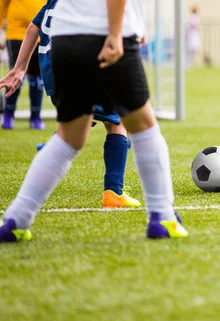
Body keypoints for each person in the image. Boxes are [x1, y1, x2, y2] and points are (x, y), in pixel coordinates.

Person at [0, 0, 188, 242]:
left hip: (64, 39)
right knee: (142, 127)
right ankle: (162, 217)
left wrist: (19, 67)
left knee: (69, 138)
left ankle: (16, 220)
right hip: (104, 32)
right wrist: (115, 33)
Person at [0, 0, 141, 209]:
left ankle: (53, 147)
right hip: (76, 68)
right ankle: (113, 192)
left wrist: (20, 69)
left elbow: (32, 29)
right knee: (117, 121)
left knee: (75, 125)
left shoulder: (54, 2)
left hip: (52, 74)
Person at [0, 0, 46, 130]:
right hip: (16, 33)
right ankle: (8, 115)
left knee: (38, 78)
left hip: (40, 34)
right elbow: (2, 5)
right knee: (16, 74)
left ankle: (36, 117)